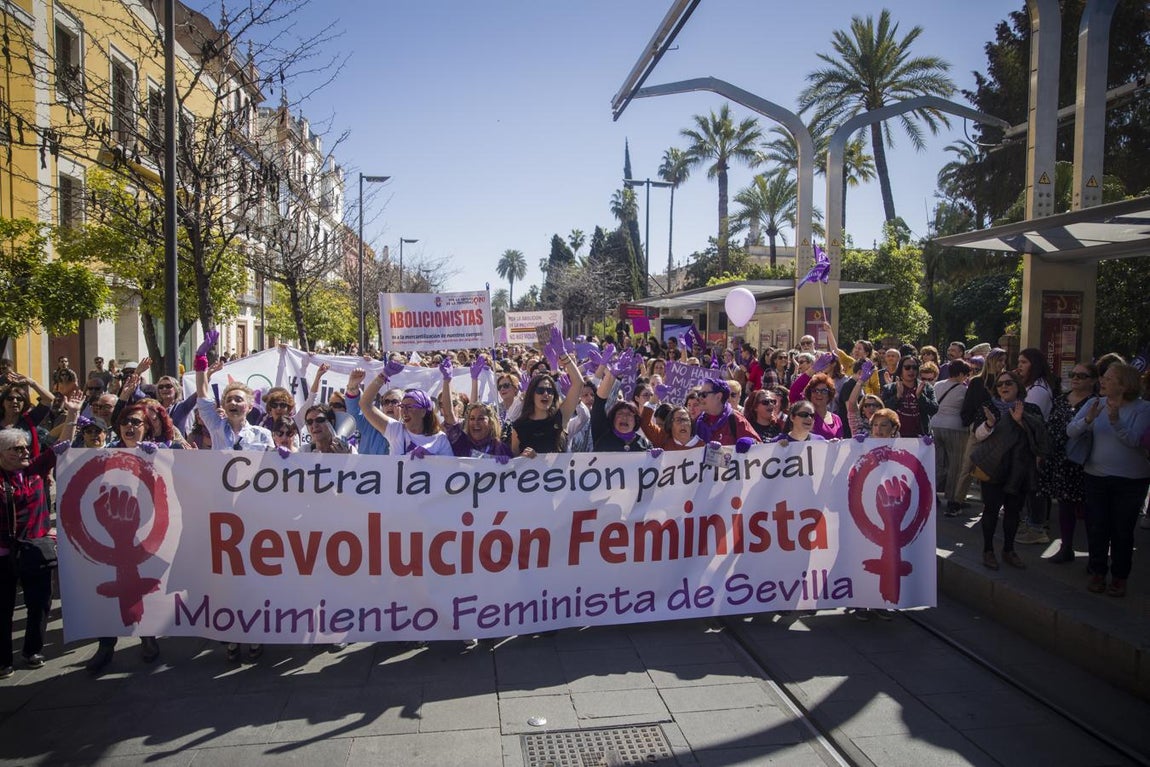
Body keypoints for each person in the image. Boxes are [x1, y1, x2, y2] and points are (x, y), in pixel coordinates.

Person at [86, 399, 184, 673]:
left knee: (141, 584)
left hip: (146, 529)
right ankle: (106, 645)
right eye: (125, 422)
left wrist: (158, 457)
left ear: (147, 428)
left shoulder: (159, 452)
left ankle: (147, 637)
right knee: (105, 585)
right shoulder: (104, 453)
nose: (130, 426)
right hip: (106, 528)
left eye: (136, 422)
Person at [195, 331, 271, 661]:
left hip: (254, 515)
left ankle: (254, 630)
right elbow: (202, 396)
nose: (235, 403)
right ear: (224, 407)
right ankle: (231, 633)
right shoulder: (216, 428)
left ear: (250, 405)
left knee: (253, 576)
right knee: (227, 577)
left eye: (240, 399)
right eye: (230, 400)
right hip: (224, 514)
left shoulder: (263, 434)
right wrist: (201, 362)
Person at [0, 399, 78, 679]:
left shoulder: (33, 470)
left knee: (40, 603)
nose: (25, 452)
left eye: (25, 447)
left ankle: (32, 650)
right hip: (4, 554)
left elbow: (61, 448)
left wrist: (72, 414)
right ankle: (3, 660)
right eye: (17, 449)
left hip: (35, 549)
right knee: (4, 608)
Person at [1067, 363, 1150, 597]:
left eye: (1109, 378)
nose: (1102, 381)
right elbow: (1071, 431)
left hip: (1131, 480)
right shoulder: (1096, 403)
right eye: (1103, 377)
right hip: (1096, 476)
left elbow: (1135, 441)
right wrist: (1087, 420)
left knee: (1122, 530)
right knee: (1097, 527)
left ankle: (1120, 577)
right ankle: (1098, 572)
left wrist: (1115, 420)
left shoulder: (1143, 408)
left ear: (1125, 385)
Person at [970, 371, 1048, 571]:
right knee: (991, 510)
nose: (1003, 387)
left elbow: (1041, 438)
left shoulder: (1031, 408)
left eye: (1008, 383)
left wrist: (1020, 422)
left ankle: (1009, 550)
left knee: (1013, 511)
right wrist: (989, 424)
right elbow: (978, 435)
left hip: (1020, 469)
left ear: (1018, 386)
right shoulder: (988, 407)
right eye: (999, 384)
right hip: (993, 467)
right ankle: (988, 550)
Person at [1041, 362, 1097, 563]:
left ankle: (1095, 555)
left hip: (1082, 461)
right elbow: (1050, 425)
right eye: (1073, 374)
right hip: (1059, 459)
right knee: (1065, 505)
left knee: (1087, 508)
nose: (1075, 378)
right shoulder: (1061, 399)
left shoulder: (1095, 403)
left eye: (1081, 376)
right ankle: (1066, 547)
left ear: (1093, 380)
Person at [510, 351, 583, 457]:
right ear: (532, 394)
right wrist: (523, 457)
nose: (546, 394)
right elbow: (514, 460)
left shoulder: (561, 416)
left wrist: (563, 353)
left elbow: (578, 383)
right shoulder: (519, 426)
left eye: (549, 391)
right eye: (540, 390)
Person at [931, 359, 972, 516]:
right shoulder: (964, 390)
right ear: (961, 374)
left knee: (938, 463)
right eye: (966, 374)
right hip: (955, 428)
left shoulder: (937, 385)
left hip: (935, 425)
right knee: (956, 465)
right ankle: (953, 500)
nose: (966, 378)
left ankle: (932, 493)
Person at [881, 356, 938, 437]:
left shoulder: (926, 387)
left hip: (920, 437)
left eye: (914, 368)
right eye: (907, 367)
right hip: (895, 436)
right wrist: (897, 396)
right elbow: (883, 412)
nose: (911, 370)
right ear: (900, 369)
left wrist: (920, 396)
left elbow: (934, 409)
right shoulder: (889, 388)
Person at [695, 378, 760, 447]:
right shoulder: (700, 421)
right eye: (699, 394)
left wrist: (750, 442)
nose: (700, 398)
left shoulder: (735, 418)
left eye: (704, 394)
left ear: (718, 397)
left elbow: (759, 445)